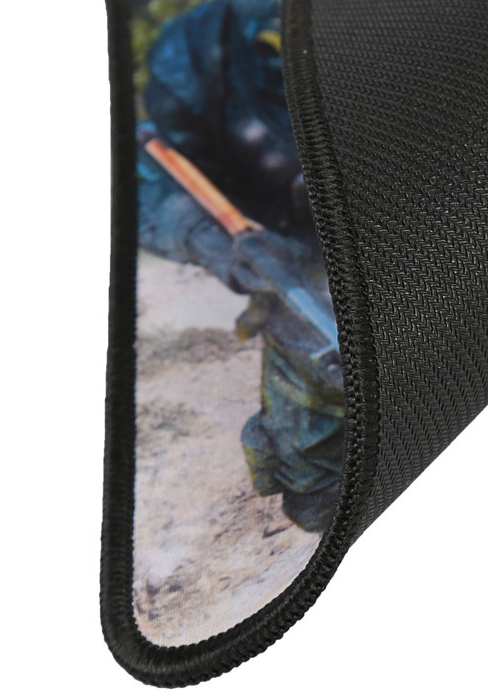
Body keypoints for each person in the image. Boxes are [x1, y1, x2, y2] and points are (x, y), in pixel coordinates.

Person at [136, 0, 344, 532]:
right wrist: (217, 244)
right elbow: (152, 185)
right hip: (289, 258)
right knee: (318, 477)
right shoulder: (197, 50)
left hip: (400, 229)